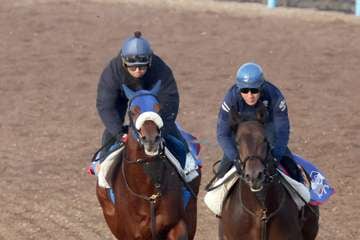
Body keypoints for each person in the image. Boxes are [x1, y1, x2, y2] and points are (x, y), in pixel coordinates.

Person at [96, 31, 188, 160]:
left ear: (150, 62)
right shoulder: (112, 73)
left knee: (179, 144)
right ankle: (101, 167)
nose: (138, 71)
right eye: (133, 68)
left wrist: (164, 128)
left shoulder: (161, 69)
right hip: (122, 97)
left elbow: (170, 100)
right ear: (124, 63)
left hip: (152, 96)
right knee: (109, 135)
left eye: (142, 67)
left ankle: (189, 168)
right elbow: (106, 106)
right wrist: (118, 133)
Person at [216, 62, 303, 182]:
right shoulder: (230, 99)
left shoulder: (275, 96)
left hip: (267, 128)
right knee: (222, 173)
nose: (250, 95)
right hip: (241, 131)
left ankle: (301, 188)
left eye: (254, 90)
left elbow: (282, 131)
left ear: (261, 87)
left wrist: (276, 157)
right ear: (239, 88)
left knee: (291, 165)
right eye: (245, 91)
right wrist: (234, 158)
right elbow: (223, 134)